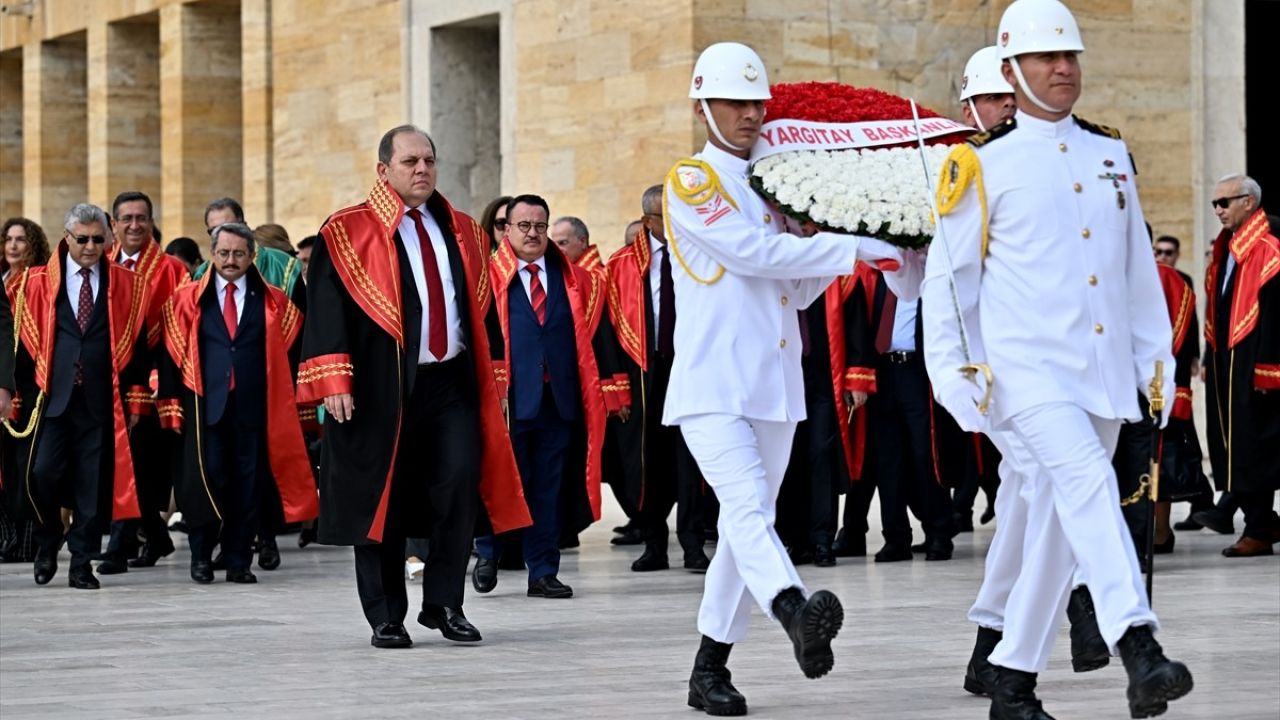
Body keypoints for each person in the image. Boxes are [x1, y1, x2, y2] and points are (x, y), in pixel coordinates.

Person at [923, 2, 1192, 717]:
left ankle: (1011, 681)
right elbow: (948, 282)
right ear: (1012, 71)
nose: (1063, 68)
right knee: (1083, 483)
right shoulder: (980, 164)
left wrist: (1153, 361)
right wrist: (954, 374)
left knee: (1051, 526)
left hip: (1102, 375)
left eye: (1070, 55)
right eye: (1046, 58)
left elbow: (1136, 269)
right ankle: (1138, 641)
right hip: (1026, 374)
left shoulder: (1109, 154)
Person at [664, 42, 910, 716]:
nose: (749, 114)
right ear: (702, 105)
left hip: (772, 383)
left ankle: (708, 670)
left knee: (750, 526)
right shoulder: (693, 181)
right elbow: (749, 253)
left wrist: (846, 241)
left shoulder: (773, 186)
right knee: (744, 510)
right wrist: (848, 245)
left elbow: (792, 290)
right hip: (713, 384)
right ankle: (794, 609)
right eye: (733, 102)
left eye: (755, 102)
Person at [299, 125, 528, 649]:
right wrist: (334, 377)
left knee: (457, 487)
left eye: (429, 160)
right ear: (384, 171)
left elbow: (481, 309)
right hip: (380, 385)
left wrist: (494, 378)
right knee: (385, 499)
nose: (422, 169)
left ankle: (446, 604)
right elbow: (327, 310)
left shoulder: (465, 230)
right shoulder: (347, 230)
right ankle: (385, 614)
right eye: (409, 162)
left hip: (450, 382)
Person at [473, 194, 623, 598]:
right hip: (509, 402)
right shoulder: (487, 279)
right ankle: (487, 552)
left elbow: (598, 337)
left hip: (559, 401)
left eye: (540, 226)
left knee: (548, 489)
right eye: (523, 226)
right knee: (500, 481)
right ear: (506, 231)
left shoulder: (574, 279)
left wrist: (613, 391)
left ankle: (542, 571)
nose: (533, 234)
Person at [156, 222, 319, 583]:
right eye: (224, 253)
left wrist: (300, 404)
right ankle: (200, 557)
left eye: (239, 254)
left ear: (252, 256)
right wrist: (170, 408)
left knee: (248, 486)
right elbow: (169, 356)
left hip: (255, 408)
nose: (231, 261)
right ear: (212, 254)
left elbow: (295, 353)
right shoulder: (186, 301)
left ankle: (238, 561)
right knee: (206, 481)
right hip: (204, 409)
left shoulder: (274, 301)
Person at [11, 203, 151, 589]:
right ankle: (47, 540)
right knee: (41, 474)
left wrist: (136, 399)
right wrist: (14, 394)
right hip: (52, 398)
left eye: (98, 239)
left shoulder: (127, 283)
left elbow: (137, 347)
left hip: (100, 400)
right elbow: (21, 345)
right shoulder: (37, 281)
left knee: (91, 485)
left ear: (109, 239)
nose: (90, 247)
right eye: (82, 239)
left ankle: (81, 564)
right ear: (67, 237)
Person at [606, 185, 711, 573]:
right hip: (643, 371)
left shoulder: (701, 256)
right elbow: (607, 329)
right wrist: (616, 386)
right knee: (647, 462)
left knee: (691, 460)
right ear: (649, 219)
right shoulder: (621, 265)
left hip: (690, 366)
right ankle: (653, 543)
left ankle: (694, 544)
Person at [95, 191, 192, 575]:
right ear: (114, 225)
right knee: (116, 463)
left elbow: (180, 327)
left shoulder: (171, 269)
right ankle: (156, 534)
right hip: (112, 380)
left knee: (142, 466)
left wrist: (156, 379)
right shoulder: (102, 264)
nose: (134, 225)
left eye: (141, 218)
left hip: (155, 378)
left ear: (151, 222)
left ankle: (120, 544)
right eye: (126, 218)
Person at [1202, 173, 1280, 557]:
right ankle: (1262, 522)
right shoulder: (1227, 248)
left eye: (1224, 202)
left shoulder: (1270, 245)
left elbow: (1276, 315)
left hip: (1255, 364)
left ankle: (1259, 528)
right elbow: (1219, 308)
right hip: (1227, 362)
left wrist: (1269, 367)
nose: (1218, 210)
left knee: (1256, 447)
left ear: (1248, 202)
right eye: (1215, 204)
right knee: (1235, 446)